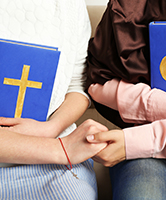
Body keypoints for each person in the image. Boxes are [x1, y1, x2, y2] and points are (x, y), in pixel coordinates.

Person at [86, 0, 166, 199]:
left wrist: (138, 141)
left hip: (138, 140)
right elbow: (98, 83)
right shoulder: (123, 6)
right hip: (140, 142)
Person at [0, 0, 107, 199]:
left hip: (52, 159)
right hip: (53, 149)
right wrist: (61, 149)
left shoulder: (71, 6)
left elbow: (76, 85)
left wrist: (51, 128)